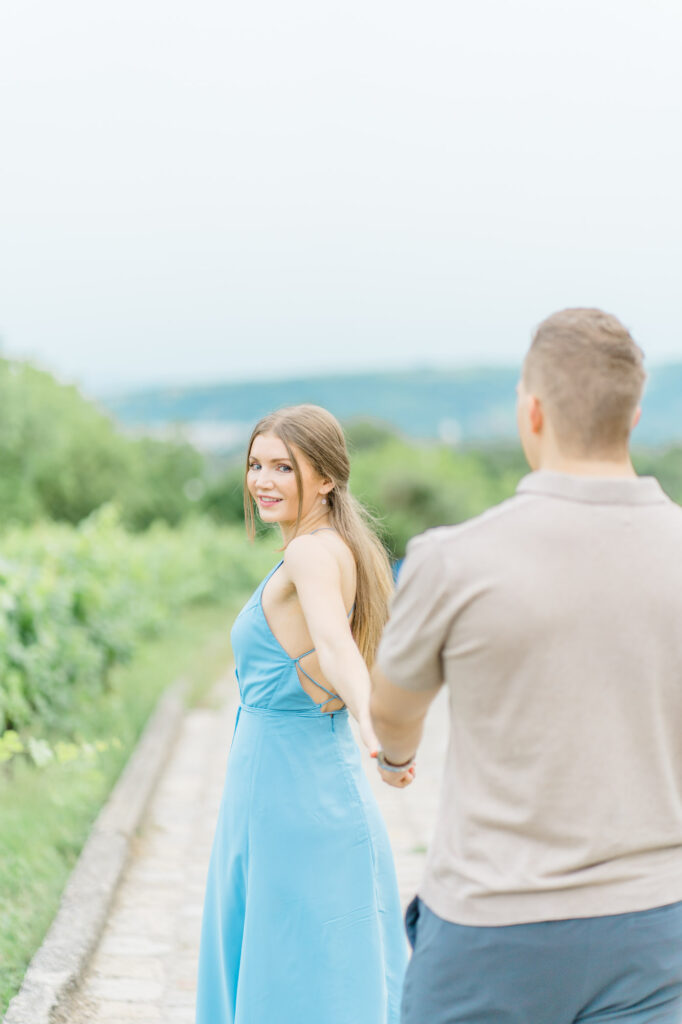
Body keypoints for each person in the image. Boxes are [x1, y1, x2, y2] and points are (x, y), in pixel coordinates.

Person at [370, 308, 682, 1024]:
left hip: (495, 923)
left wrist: (397, 758)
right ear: (632, 417)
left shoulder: (454, 559)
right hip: (657, 923)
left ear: (532, 411)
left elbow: (393, 713)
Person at [195, 403, 410, 1024]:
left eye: (283, 467)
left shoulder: (312, 554)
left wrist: (376, 731)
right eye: (256, 464)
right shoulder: (340, 546)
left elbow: (337, 645)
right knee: (318, 966)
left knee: (294, 971)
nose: (262, 480)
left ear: (326, 479)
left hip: (289, 793)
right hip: (298, 785)